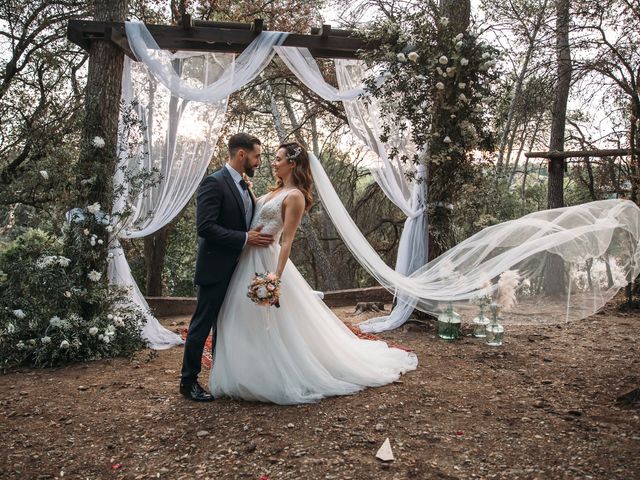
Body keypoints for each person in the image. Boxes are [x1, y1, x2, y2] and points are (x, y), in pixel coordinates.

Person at [209, 142, 417, 405]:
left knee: (268, 320)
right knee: (240, 315)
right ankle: (244, 370)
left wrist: (275, 276)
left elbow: (286, 240)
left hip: (266, 261)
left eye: (278, 158)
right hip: (246, 258)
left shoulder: (294, 196)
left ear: (292, 164)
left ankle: (269, 373)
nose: (273, 162)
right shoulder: (274, 192)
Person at [180, 133, 274, 402]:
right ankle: (188, 382)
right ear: (241, 155)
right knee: (202, 324)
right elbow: (205, 227)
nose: (259, 161)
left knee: (228, 324)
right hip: (215, 267)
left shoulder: (245, 184)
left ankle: (223, 375)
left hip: (239, 268)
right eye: (256, 156)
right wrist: (246, 238)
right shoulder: (214, 182)